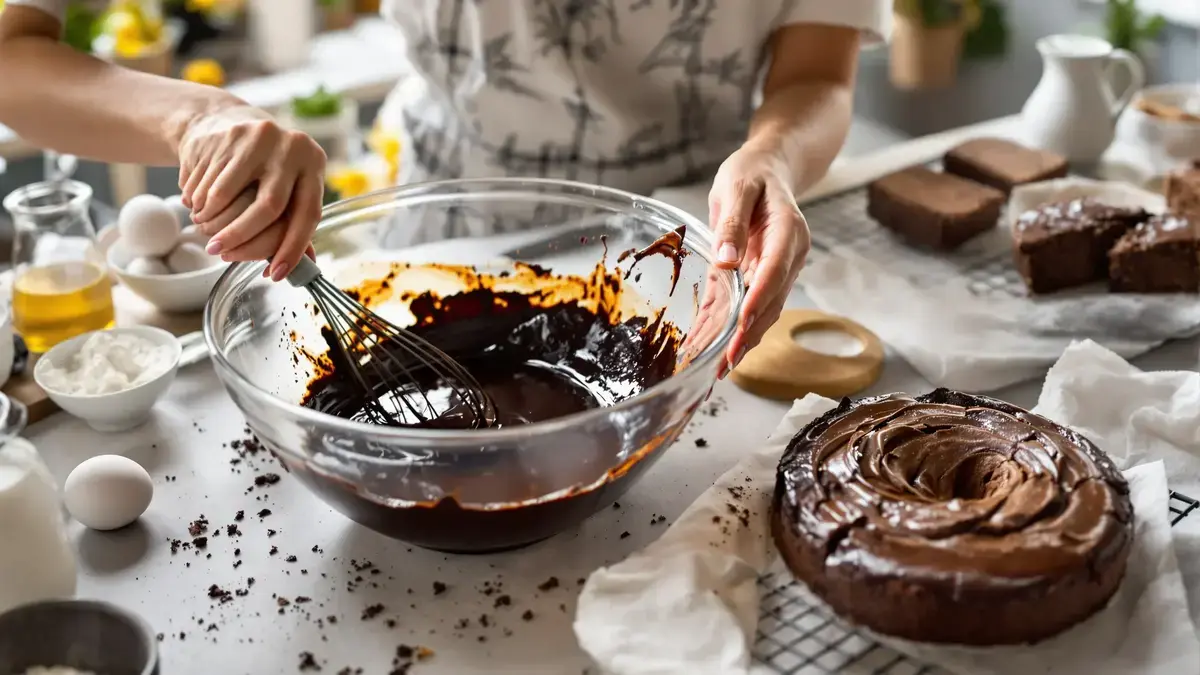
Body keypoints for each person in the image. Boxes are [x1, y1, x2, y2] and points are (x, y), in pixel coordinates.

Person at [0, 0, 889, 374]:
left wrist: (771, 157)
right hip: (447, 223)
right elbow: (15, 52)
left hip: (693, 239)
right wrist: (195, 119)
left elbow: (819, 71)